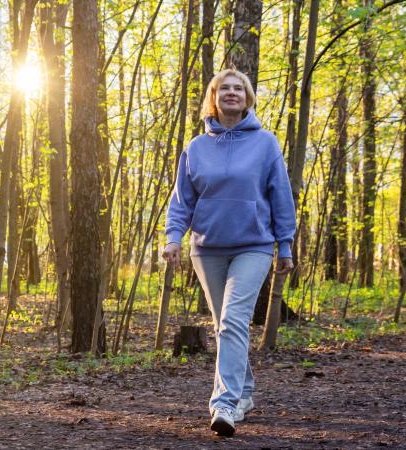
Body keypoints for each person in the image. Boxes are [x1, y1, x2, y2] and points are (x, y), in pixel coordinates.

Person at [162, 68, 296, 437]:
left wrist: (284, 244)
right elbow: (182, 201)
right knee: (226, 325)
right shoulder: (196, 147)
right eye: (225, 89)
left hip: (253, 245)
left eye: (239, 88)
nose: (232, 93)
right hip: (206, 249)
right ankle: (246, 392)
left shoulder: (266, 143)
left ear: (248, 98)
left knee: (234, 320)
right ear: (214, 97)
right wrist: (174, 238)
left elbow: (280, 197)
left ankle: (224, 404)